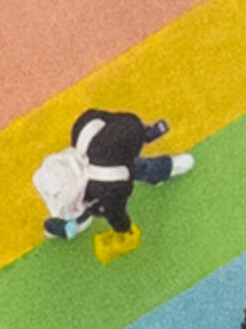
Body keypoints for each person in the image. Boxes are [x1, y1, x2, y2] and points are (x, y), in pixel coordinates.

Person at [36, 109, 195, 262]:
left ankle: (66, 226)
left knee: (73, 213)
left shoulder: (84, 127)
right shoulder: (113, 179)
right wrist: (123, 228)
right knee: (141, 168)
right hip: (88, 191)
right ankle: (167, 167)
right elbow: (115, 211)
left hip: (72, 192)